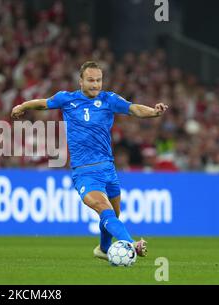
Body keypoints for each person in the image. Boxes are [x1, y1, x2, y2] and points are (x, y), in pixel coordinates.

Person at [11, 61, 169, 261]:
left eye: (98, 80)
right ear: (81, 81)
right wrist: (22, 106)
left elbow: (134, 109)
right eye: (91, 80)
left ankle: (103, 249)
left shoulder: (109, 99)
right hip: (84, 172)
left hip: (108, 169)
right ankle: (131, 244)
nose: (95, 84)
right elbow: (43, 103)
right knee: (106, 211)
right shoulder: (67, 99)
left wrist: (154, 111)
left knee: (113, 215)